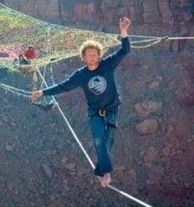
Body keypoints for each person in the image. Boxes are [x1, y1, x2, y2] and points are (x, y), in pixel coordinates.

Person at [30, 16, 131, 187]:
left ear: (99, 55)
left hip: (113, 110)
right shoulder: (81, 75)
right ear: (83, 57)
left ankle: (100, 171)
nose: (92, 57)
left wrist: (123, 31)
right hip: (95, 113)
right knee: (98, 141)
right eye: (88, 55)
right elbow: (63, 86)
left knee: (107, 143)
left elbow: (124, 51)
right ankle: (106, 174)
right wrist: (42, 92)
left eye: (95, 54)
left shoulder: (107, 65)